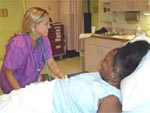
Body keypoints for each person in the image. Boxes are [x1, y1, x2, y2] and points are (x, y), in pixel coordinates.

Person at [0, 40, 149, 113]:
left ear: (115, 71)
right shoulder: (99, 76)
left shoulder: (111, 100)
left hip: (42, 105)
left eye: (105, 61)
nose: (101, 63)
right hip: (37, 93)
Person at [0, 7, 65, 94]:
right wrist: (20, 94)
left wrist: (61, 76)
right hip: (12, 85)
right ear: (34, 26)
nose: (49, 27)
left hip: (28, 81)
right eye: (46, 24)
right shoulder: (18, 45)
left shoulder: (44, 40)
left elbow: (50, 61)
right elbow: (8, 73)